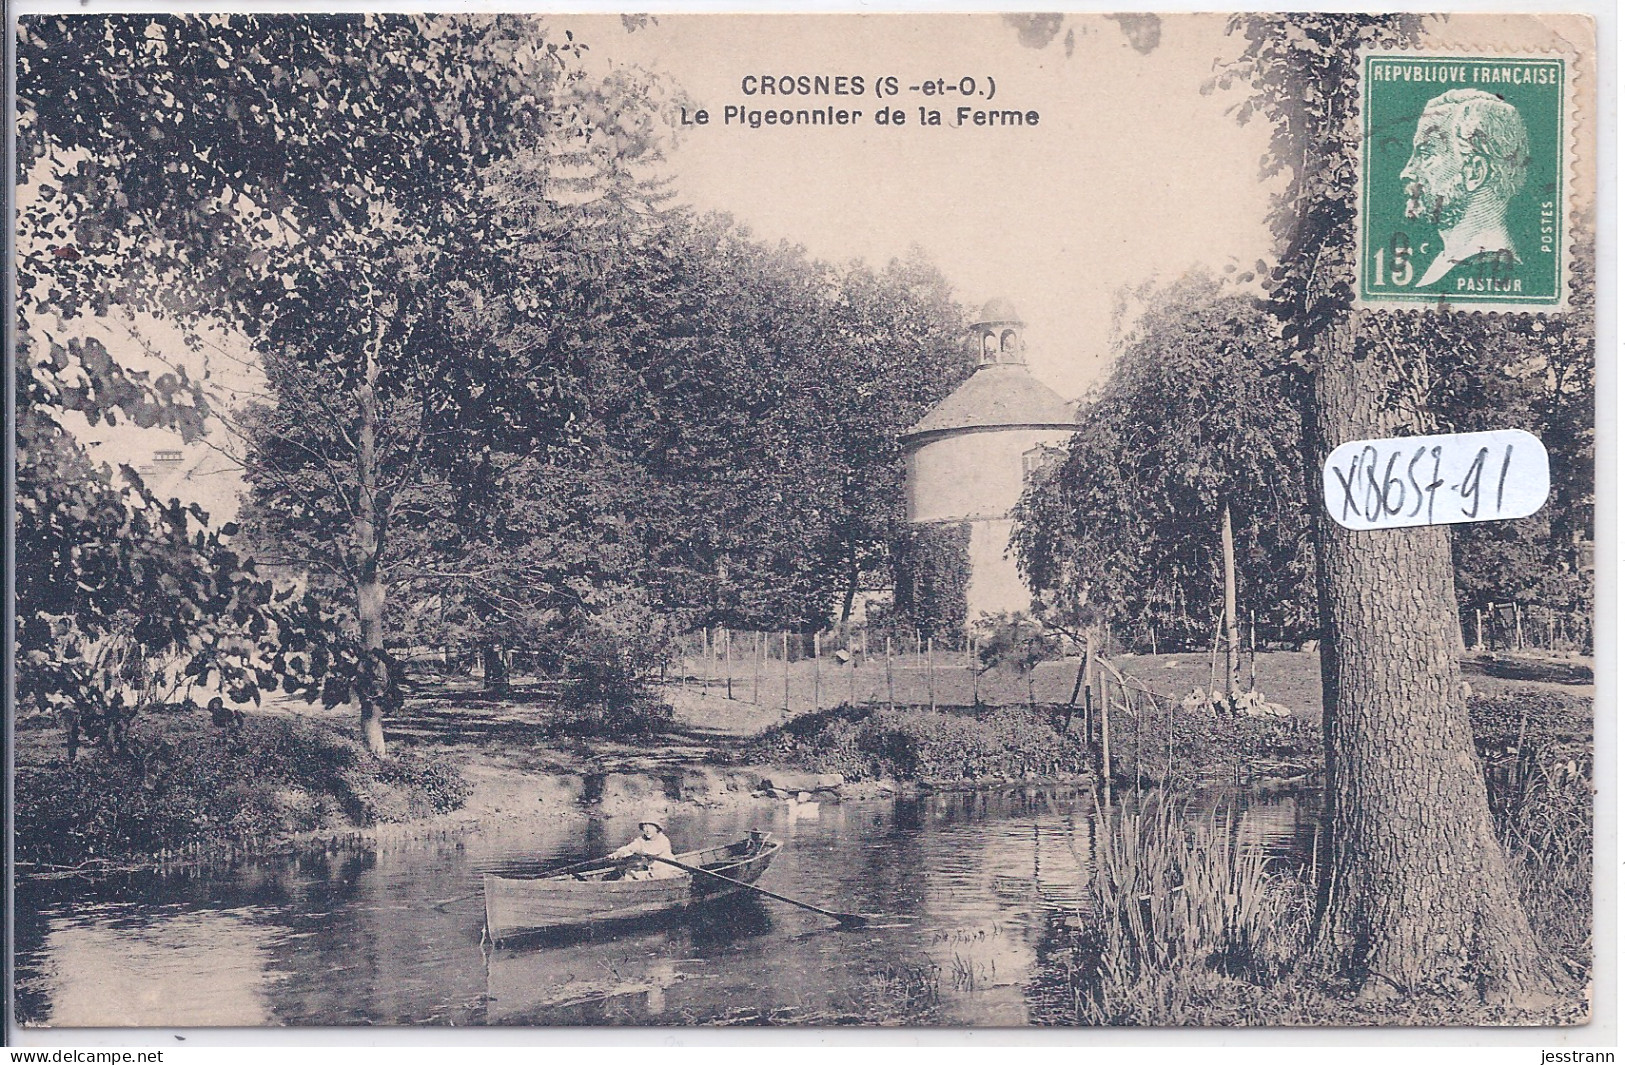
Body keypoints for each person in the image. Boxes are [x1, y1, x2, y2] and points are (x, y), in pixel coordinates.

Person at [1398, 88, 1531, 291]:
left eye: (1426, 154)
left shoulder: (1487, 267)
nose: (1406, 172)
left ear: (1474, 173)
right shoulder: (1445, 262)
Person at [607, 815, 683, 880]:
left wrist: (638, 851)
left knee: (647, 875)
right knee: (626, 872)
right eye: (644, 827)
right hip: (650, 869)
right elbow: (630, 847)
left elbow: (653, 852)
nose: (647, 830)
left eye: (650, 827)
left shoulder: (663, 840)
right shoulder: (641, 840)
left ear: (657, 828)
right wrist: (619, 853)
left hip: (666, 870)